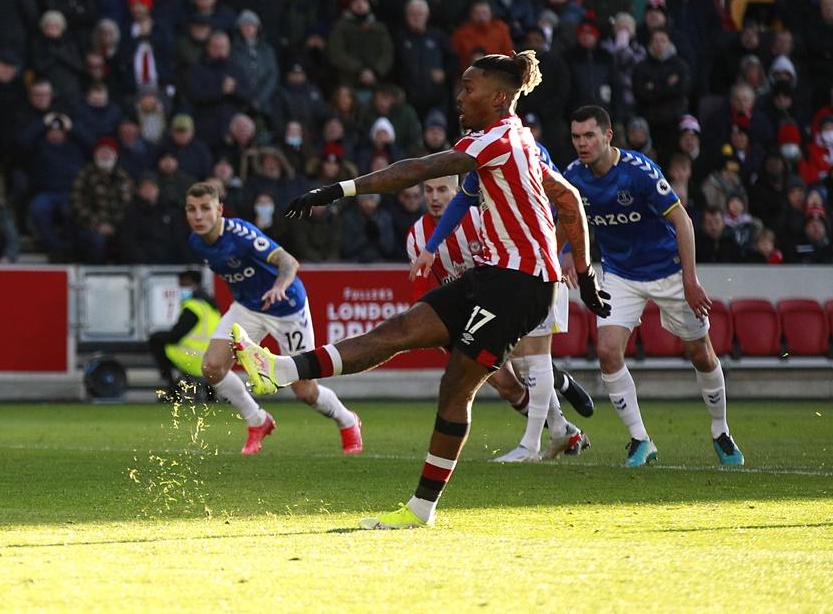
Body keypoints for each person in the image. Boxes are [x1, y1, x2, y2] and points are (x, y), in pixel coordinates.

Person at [233, 52, 606, 530]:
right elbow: (568, 198)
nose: (460, 96)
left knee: (455, 388)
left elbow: (417, 169)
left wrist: (337, 190)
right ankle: (282, 370)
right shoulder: (519, 139)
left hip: (521, 284)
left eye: (469, 88)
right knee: (402, 328)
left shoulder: (496, 139)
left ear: (497, 97)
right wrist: (587, 273)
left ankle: (420, 511)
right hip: (491, 275)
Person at [562, 105, 743, 468]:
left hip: (668, 271)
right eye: (576, 137)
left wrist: (690, 280)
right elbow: (567, 216)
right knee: (609, 352)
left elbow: (683, 222)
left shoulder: (639, 172)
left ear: (607, 136)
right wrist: (566, 250)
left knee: (700, 353)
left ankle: (721, 431)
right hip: (619, 274)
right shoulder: (573, 176)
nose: (582, 143)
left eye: (589, 136)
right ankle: (640, 440)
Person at [415, 155, 595, 462]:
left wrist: (565, 253)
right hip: (472, 307)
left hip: (518, 286)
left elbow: (564, 205)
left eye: (441, 190)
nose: (434, 197)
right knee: (509, 385)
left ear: (455, 190)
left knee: (529, 361)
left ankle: (536, 442)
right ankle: (561, 418)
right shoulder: (416, 235)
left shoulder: (482, 213)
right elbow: (427, 292)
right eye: (428, 191)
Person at [185, 181, 363, 456]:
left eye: (205, 209)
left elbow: (289, 262)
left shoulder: (241, 234)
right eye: (191, 210)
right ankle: (258, 420)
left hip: (285, 308)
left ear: (219, 210)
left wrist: (279, 286)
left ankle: (348, 420)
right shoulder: (196, 242)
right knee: (212, 368)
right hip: (247, 308)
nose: (198, 216)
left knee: (305, 391)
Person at [147, 270, 221, 394]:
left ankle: (172, 387)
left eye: (183, 285)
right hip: (212, 358)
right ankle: (206, 389)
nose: (180, 289)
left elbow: (175, 336)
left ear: (193, 284)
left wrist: (156, 335)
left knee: (156, 340)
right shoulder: (211, 306)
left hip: (194, 359)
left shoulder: (193, 307)